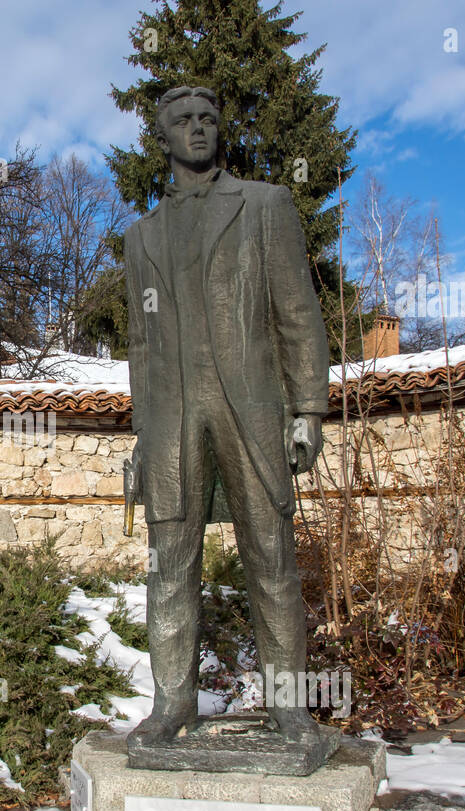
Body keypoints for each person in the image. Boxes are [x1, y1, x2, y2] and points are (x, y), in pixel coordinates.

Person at [122, 86, 332, 753]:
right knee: (168, 563)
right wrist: (142, 434)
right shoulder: (141, 236)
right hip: (172, 418)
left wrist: (306, 409)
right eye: (182, 121)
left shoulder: (265, 206)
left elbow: (298, 313)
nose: (198, 130)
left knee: (271, 557)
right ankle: (172, 701)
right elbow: (140, 345)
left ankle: (290, 709)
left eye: (208, 120)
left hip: (252, 412)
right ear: (162, 139)